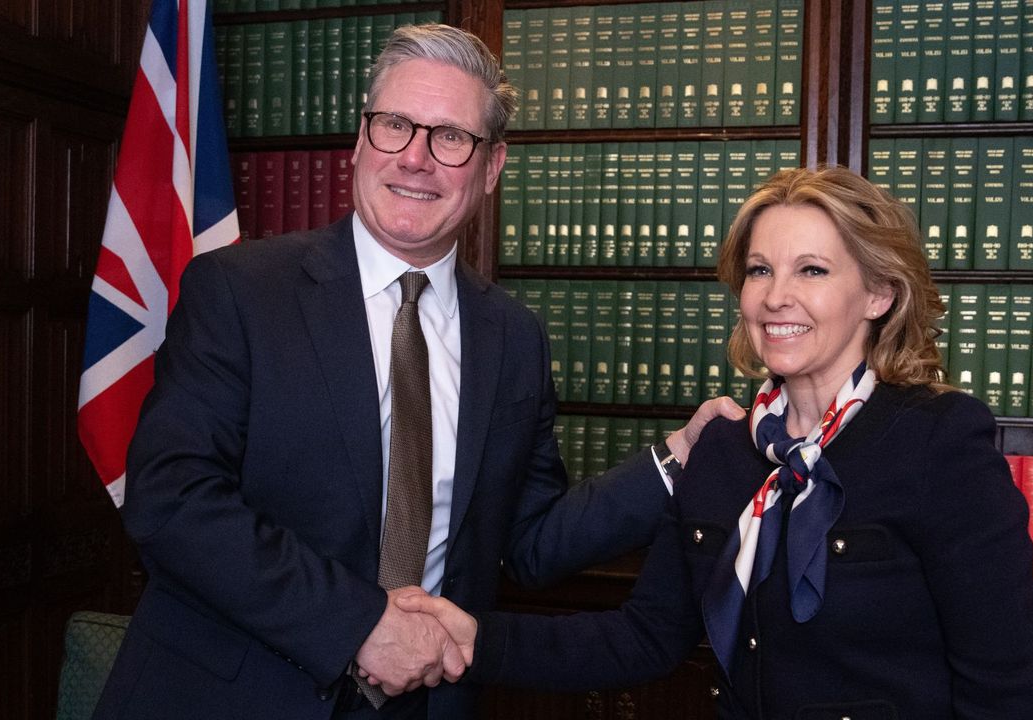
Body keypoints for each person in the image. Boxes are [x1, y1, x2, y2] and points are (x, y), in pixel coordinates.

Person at [92, 23, 741, 720]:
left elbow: (527, 542)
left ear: (492, 168)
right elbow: (172, 497)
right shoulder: (241, 291)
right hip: (228, 698)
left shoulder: (514, 337)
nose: (415, 159)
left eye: (451, 137)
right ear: (359, 141)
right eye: (394, 125)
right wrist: (360, 624)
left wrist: (674, 460)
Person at [404, 166, 1033, 718]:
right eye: (760, 269)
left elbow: (1005, 688)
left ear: (879, 293)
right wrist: (472, 639)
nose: (776, 297)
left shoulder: (940, 442)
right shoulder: (720, 452)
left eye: (813, 270)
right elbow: (644, 637)